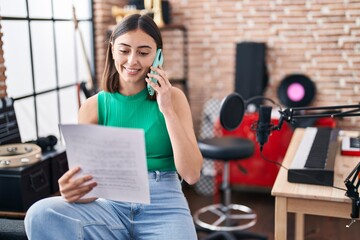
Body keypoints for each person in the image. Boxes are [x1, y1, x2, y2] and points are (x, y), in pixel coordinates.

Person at [24, 13, 203, 240]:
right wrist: (73, 191)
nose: (132, 61)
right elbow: (91, 184)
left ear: (158, 55)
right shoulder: (92, 107)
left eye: (144, 52)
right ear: (112, 50)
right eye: (124, 50)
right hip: (110, 207)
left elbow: (192, 174)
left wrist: (166, 109)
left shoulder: (174, 99)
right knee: (39, 214)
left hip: (163, 202)